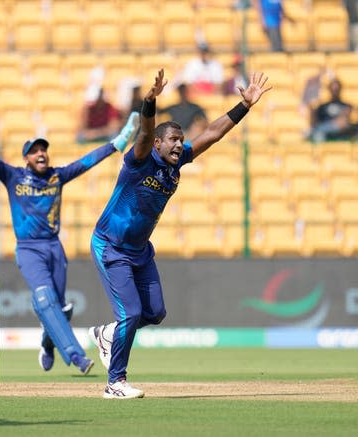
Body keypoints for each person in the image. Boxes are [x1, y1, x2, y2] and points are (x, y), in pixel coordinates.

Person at [88, 69, 271, 399]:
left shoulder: (178, 161)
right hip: (111, 246)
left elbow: (213, 133)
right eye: (173, 139)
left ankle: (108, 334)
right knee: (130, 313)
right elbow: (144, 134)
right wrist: (150, 101)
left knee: (154, 313)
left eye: (180, 139)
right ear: (158, 143)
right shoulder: (139, 160)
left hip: (140, 251)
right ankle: (114, 383)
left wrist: (243, 106)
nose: (179, 144)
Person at [0, 102, 140, 375]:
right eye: (34, 151)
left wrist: (118, 142)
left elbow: (87, 161)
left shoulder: (56, 177)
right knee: (45, 301)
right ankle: (77, 356)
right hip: (28, 250)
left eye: (43, 150)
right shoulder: (13, 176)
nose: (40, 154)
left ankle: (47, 344)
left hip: (54, 249)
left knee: (60, 308)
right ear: (26, 158)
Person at [309, 78, 355, 143]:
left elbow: (343, 123)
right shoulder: (322, 107)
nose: (335, 91)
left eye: (337, 89)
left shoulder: (347, 106)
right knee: (317, 135)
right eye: (333, 89)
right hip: (324, 133)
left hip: (341, 134)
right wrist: (312, 110)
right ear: (329, 89)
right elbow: (314, 124)